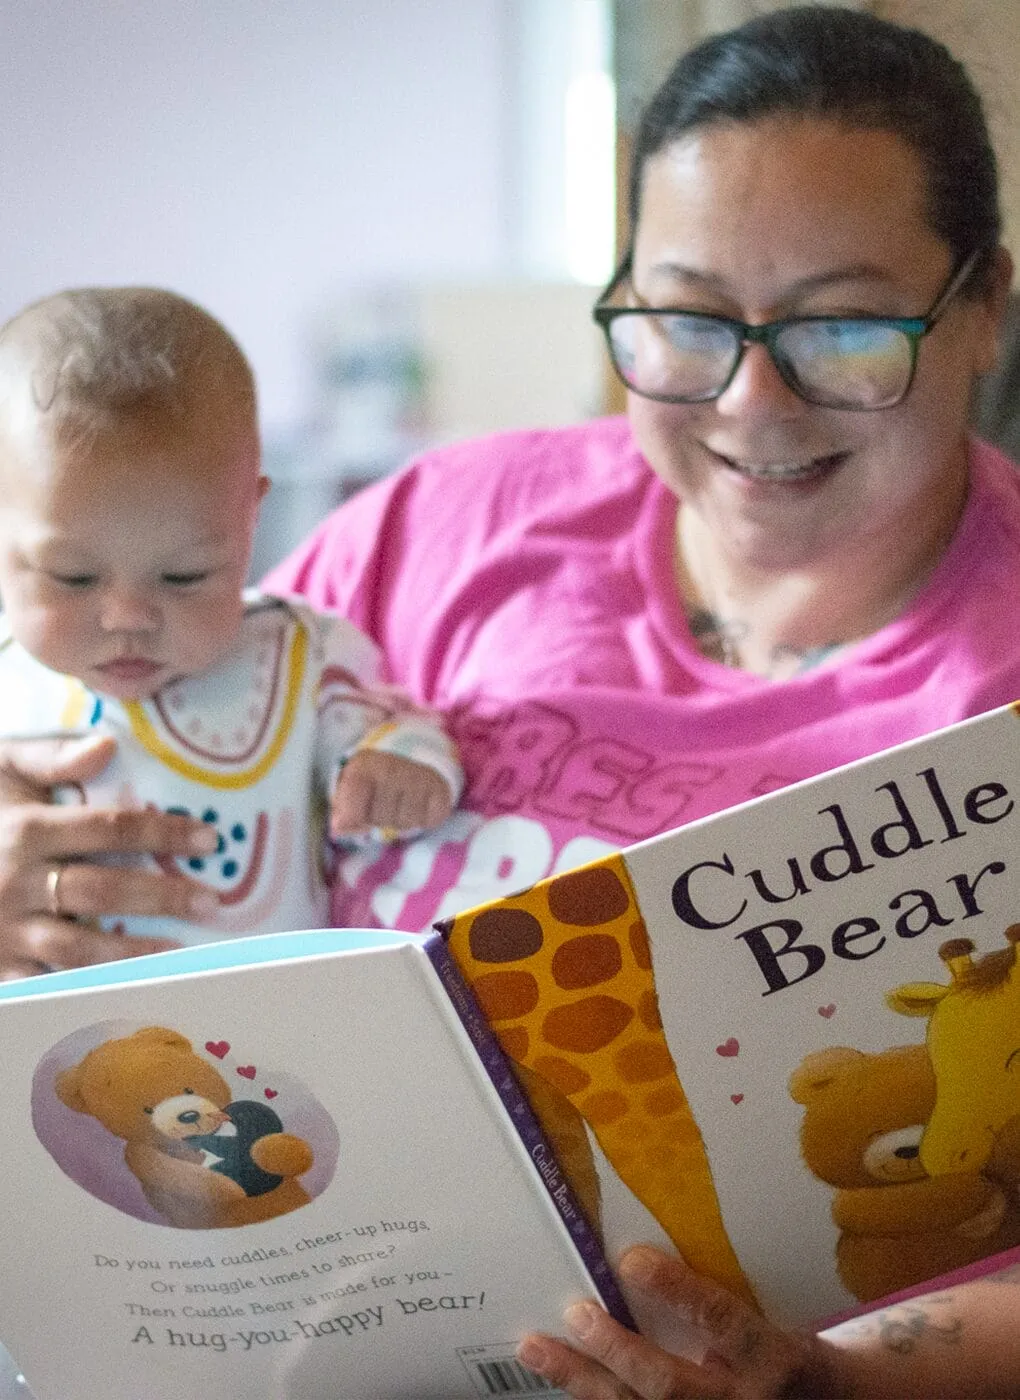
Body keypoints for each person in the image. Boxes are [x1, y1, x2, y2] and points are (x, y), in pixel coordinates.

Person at [1, 1, 1020, 1390]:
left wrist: (835, 1380)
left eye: (842, 325)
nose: (750, 400)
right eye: (686, 319)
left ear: (985, 312)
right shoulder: (445, 528)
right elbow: (133, 745)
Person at [0, 286, 460, 950]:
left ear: (250, 516)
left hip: (266, 1022)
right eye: (73, 577)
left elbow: (392, 731)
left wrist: (401, 770)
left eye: (185, 576)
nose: (128, 617)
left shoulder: (302, 657)